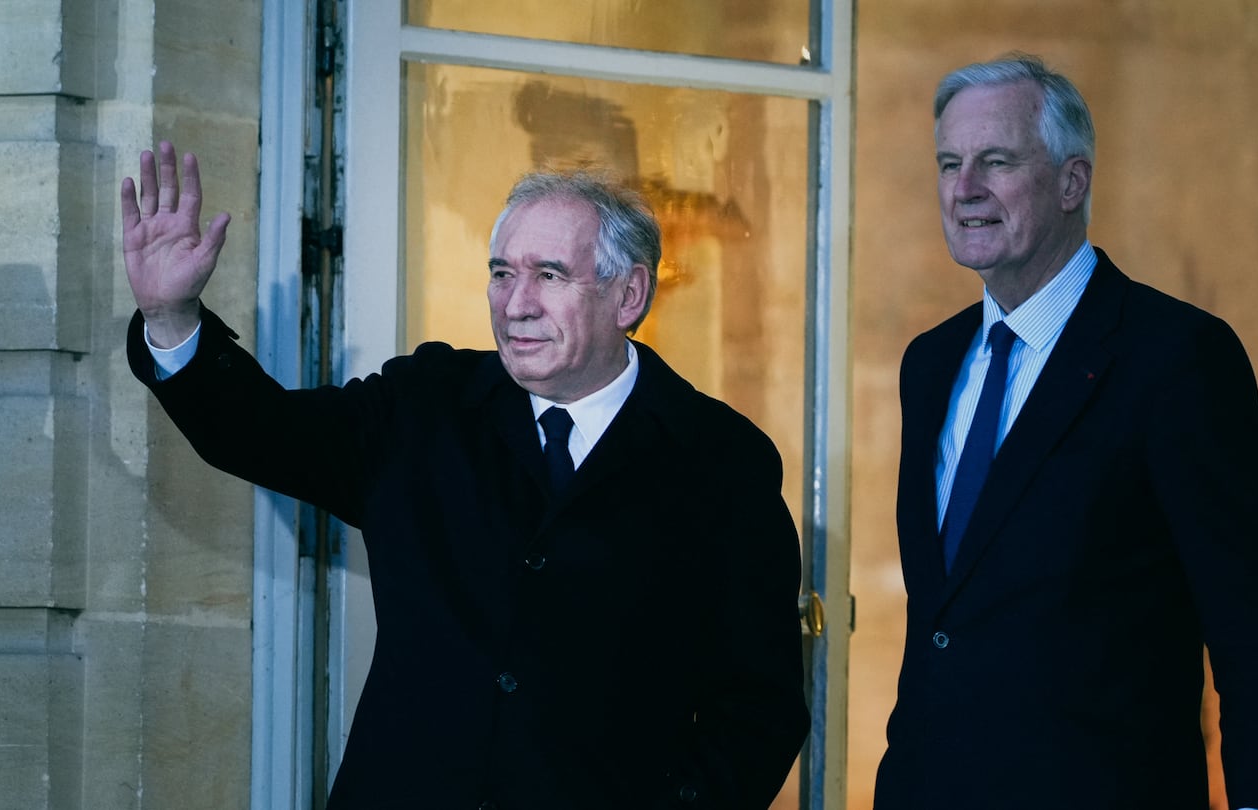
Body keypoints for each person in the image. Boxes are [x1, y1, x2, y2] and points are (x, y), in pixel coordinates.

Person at [121, 142, 810, 809]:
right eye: (502, 272)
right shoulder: (426, 405)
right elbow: (262, 433)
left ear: (628, 295)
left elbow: (758, 711)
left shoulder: (721, 461)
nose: (516, 304)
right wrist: (170, 316)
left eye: (549, 274)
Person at [872, 55, 1258, 809]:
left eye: (997, 161)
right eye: (950, 163)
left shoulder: (1176, 359)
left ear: (1072, 182)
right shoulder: (930, 362)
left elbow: (1257, 630)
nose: (964, 187)